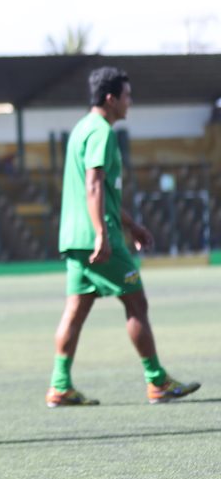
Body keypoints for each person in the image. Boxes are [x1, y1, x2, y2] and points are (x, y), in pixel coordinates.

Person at [46, 66, 200, 407]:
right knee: (136, 303)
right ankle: (157, 381)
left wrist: (131, 224)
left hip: (74, 238)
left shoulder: (80, 129)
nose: (131, 102)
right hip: (99, 239)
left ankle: (60, 386)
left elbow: (104, 193)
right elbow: (94, 184)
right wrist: (104, 233)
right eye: (127, 96)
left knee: (75, 311)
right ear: (111, 98)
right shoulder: (101, 132)